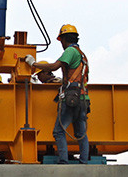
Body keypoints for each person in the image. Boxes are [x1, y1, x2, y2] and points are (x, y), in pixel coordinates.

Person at [31, 24, 90, 164]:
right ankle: (84, 163)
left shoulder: (70, 51)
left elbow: (54, 66)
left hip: (72, 98)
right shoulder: (82, 55)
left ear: (63, 39)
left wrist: (34, 64)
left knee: (59, 131)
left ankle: (63, 162)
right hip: (83, 98)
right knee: (81, 133)